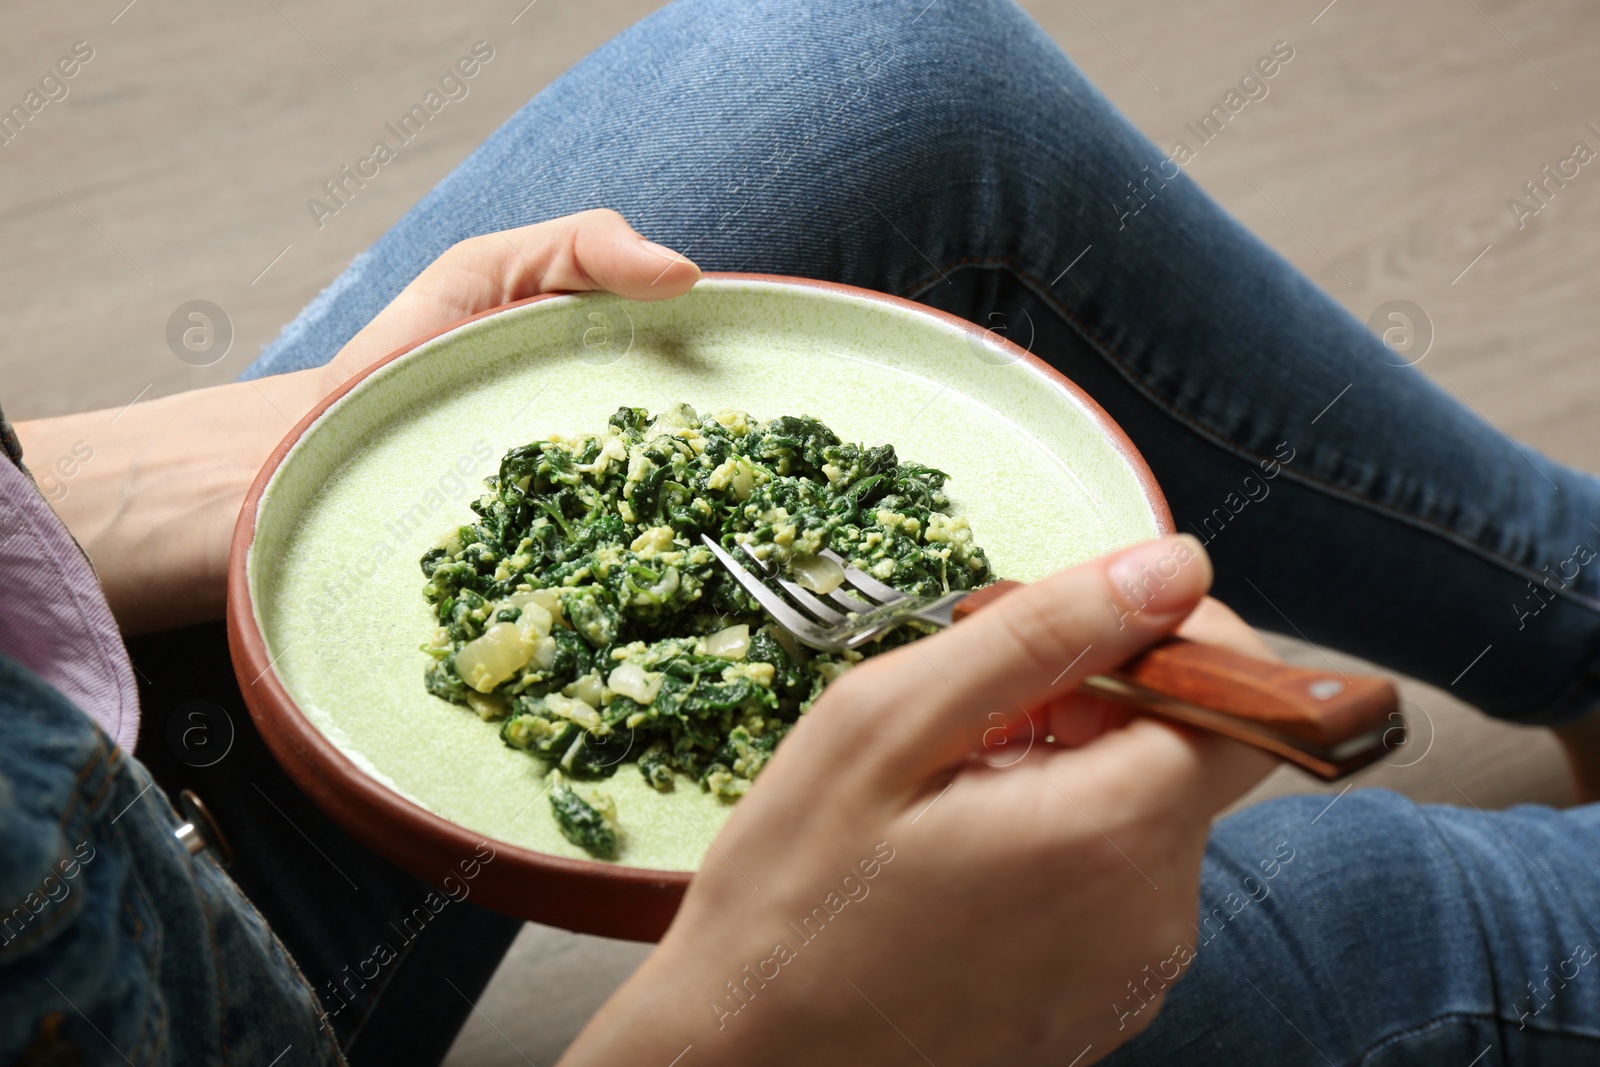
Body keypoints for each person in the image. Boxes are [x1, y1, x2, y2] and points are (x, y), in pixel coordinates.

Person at [6, 0, 1600, 1063]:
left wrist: (109, 495)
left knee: (904, 73)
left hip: (88, 794)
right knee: (1323, 901)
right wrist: (745, 1033)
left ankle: (1582, 628)